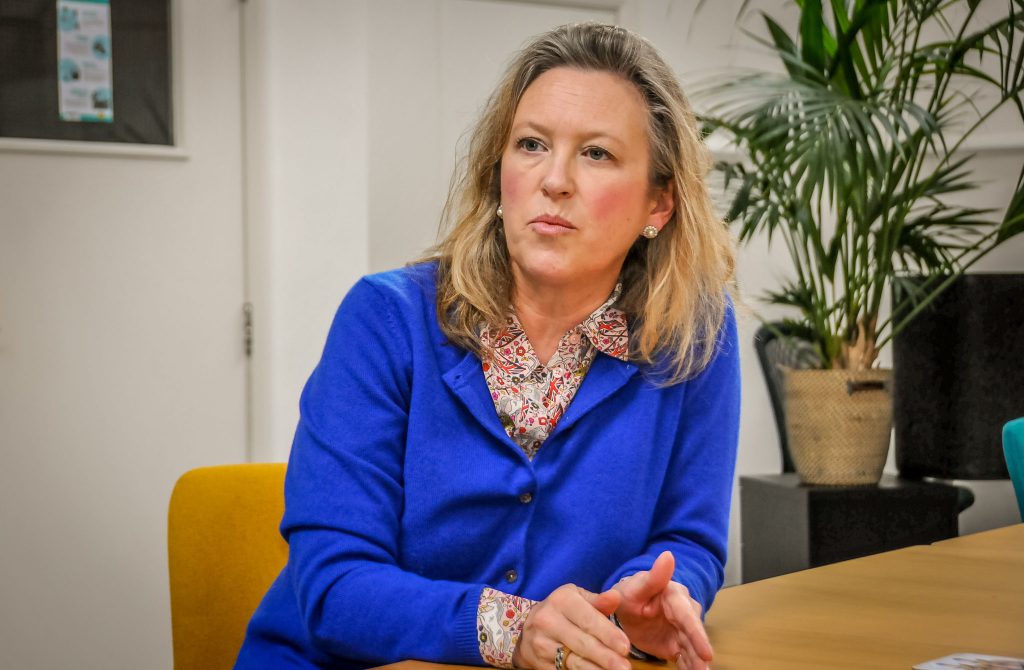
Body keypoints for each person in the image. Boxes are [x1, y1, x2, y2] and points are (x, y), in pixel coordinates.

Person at [235, 22, 739, 670]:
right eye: (531, 144)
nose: (554, 179)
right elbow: (335, 586)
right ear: (499, 173)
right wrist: (513, 630)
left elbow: (688, 539)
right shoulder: (385, 320)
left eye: (596, 153)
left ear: (659, 204)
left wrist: (649, 597)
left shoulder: (695, 336)